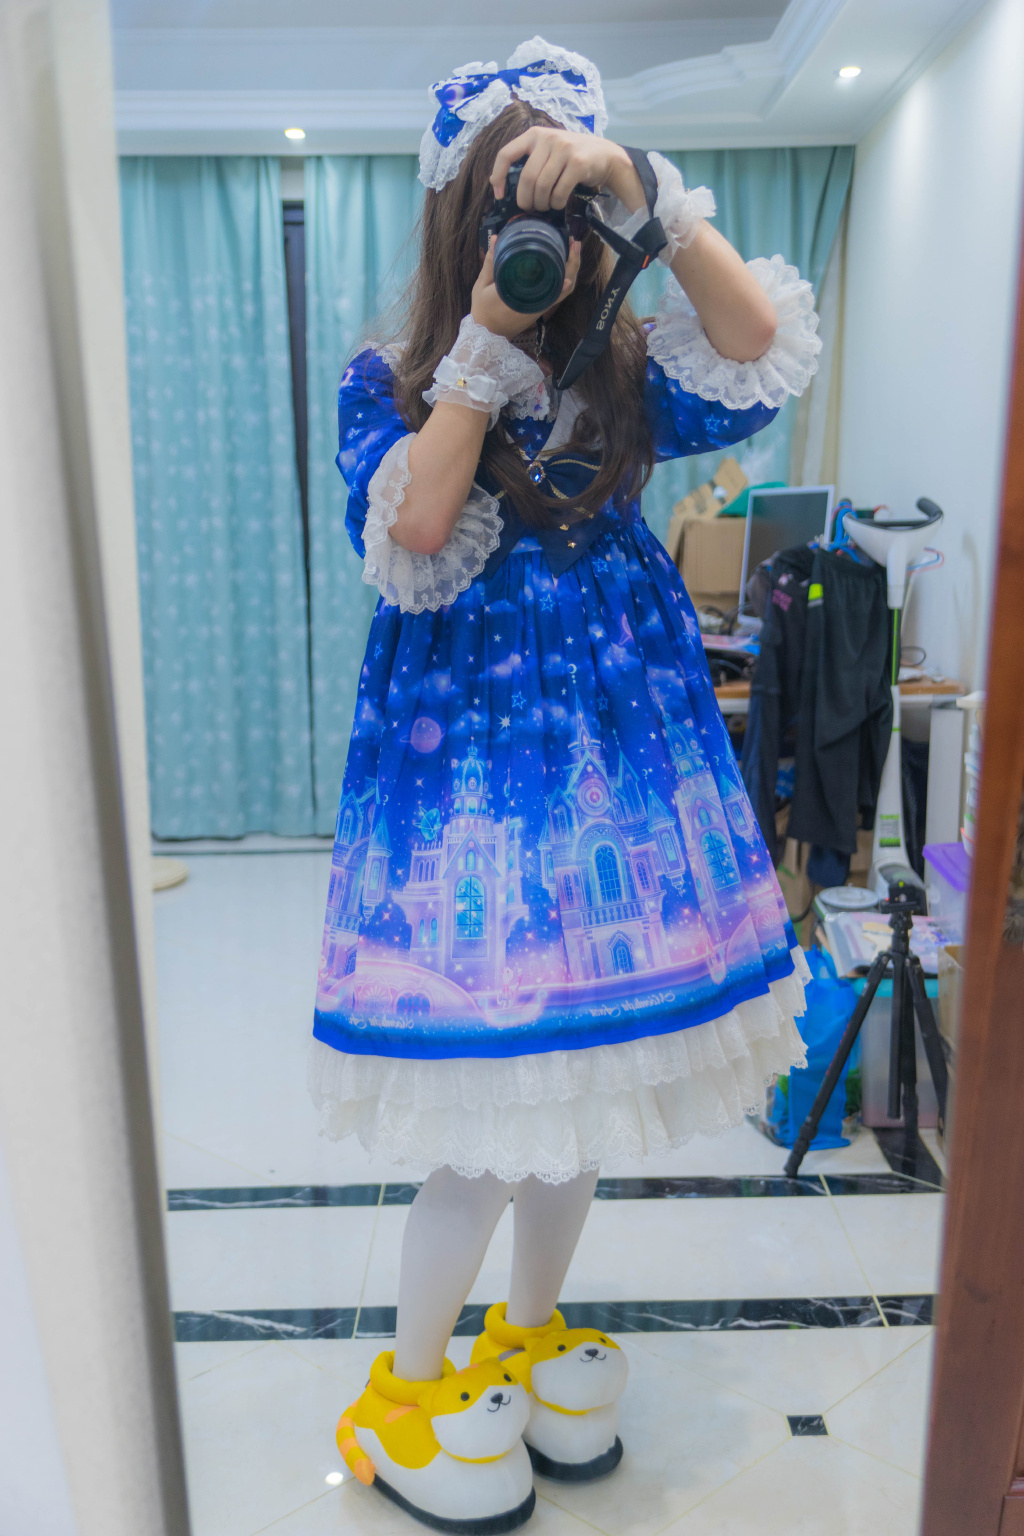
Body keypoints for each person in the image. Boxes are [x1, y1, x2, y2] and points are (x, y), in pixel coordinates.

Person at [312, 38, 820, 1532]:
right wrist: (483, 341)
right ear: (460, 220)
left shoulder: (635, 354)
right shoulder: (388, 377)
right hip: (471, 758)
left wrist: (643, 186)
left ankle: (526, 1340)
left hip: (623, 747)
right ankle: (409, 1390)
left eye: (561, 206)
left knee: (583, 1100)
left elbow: (754, 341)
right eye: (510, 206)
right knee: (488, 1103)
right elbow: (418, 528)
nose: (539, 235)